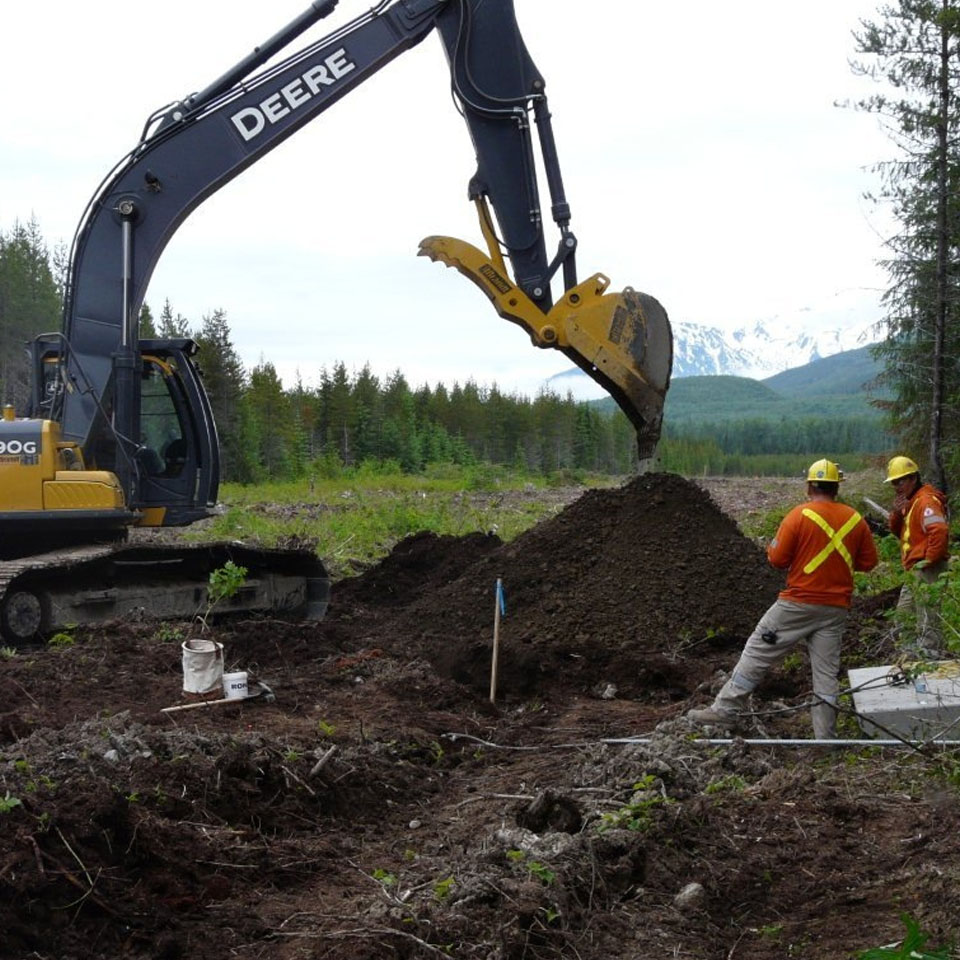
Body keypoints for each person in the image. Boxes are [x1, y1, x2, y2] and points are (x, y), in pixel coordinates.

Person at [687, 459, 878, 739]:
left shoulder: (799, 516)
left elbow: (777, 559)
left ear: (810, 486)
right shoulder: (855, 519)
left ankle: (725, 711)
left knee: (757, 651)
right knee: (825, 674)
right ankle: (825, 737)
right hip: (835, 609)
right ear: (837, 487)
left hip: (797, 604)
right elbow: (868, 562)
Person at [884, 455, 950, 658]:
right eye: (894, 482)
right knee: (904, 618)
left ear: (913, 478)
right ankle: (910, 657)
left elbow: (939, 531)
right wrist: (896, 513)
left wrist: (928, 561)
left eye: (900, 481)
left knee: (928, 621)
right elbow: (900, 532)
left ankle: (930, 660)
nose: (897, 486)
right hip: (915, 569)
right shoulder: (912, 502)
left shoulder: (926, 501)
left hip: (926, 568)